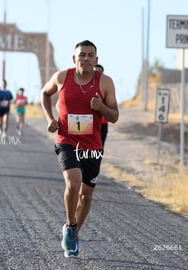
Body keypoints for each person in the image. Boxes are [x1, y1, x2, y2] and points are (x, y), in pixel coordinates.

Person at [40, 40, 118, 258]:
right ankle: (71, 225)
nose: (85, 58)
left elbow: (115, 116)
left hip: (92, 145)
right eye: (81, 54)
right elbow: (45, 94)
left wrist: (101, 107)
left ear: (96, 60)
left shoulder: (105, 83)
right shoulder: (62, 77)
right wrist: (50, 118)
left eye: (90, 55)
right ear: (74, 58)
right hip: (67, 139)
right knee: (73, 183)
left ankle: (73, 232)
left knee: (86, 195)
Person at [94, 64, 109, 147]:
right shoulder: (85, 86)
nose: (97, 73)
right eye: (95, 71)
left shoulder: (107, 87)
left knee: (99, 148)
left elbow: (111, 105)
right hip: (88, 122)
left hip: (102, 123)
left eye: (99, 72)